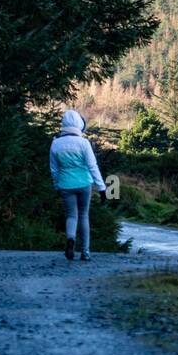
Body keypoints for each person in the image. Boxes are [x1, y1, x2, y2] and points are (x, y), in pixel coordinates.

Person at [49, 109, 107, 261]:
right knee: (83, 215)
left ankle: (70, 239)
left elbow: (54, 169)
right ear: (79, 124)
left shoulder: (55, 143)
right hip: (84, 184)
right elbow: (92, 166)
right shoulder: (84, 143)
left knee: (71, 216)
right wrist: (101, 188)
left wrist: (56, 186)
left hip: (65, 185)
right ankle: (85, 252)